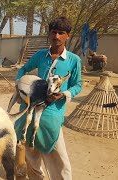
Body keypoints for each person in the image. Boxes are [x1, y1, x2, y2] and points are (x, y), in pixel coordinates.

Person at [14, 16, 82, 180]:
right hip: (29, 111)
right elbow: (23, 70)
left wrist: (63, 95)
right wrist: (20, 86)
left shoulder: (73, 60)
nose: (56, 36)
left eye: (61, 33)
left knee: (58, 157)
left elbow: (77, 84)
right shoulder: (40, 55)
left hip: (52, 115)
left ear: (67, 36)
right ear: (49, 33)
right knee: (30, 153)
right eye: (53, 32)